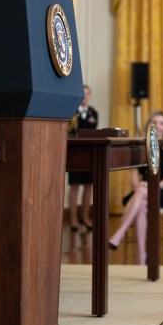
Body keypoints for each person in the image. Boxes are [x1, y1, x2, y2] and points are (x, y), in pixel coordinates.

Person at [109, 110, 163, 263]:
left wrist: (150, 187)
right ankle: (142, 256)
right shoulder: (141, 147)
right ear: (149, 126)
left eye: (162, 123)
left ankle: (120, 234)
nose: (158, 126)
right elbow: (134, 178)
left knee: (141, 194)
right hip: (141, 192)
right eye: (154, 122)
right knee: (141, 203)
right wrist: (140, 186)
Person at [67, 84, 99, 232]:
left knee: (88, 186)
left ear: (90, 96)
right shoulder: (71, 112)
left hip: (89, 153)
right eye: (83, 93)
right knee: (75, 186)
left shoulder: (93, 113)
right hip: (75, 153)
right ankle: (73, 219)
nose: (85, 96)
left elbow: (94, 132)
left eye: (87, 94)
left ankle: (85, 217)